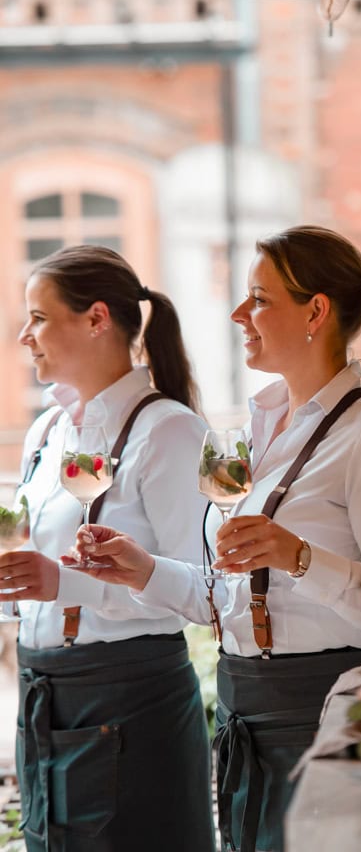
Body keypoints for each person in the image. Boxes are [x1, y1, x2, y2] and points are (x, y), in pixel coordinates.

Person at [72, 225, 361, 852]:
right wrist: (144, 570)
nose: (238, 314)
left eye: (260, 299)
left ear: (316, 312)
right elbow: (233, 597)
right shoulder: (258, 434)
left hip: (329, 722)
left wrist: (300, 558)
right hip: (246, 716)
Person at [0, 245, 216, 852]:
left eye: (39, 318)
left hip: (131, 704)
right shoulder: (47, 431)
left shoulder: (169, 431)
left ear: (97, 318)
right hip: (45, 699)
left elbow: (203, 590)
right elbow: (28, 549)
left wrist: (62, 583)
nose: (24, 336)